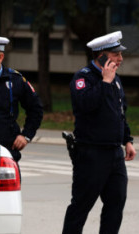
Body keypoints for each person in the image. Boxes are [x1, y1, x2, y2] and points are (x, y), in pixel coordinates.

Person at [62, 31, 137, 234]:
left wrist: (127, 140)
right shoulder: (83, 78)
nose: (120, 59)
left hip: (114, 154)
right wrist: (104, 82)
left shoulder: (116, 79)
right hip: (91, 153)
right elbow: (86, 105)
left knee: (116, 204)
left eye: (120, 54)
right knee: (81, 206)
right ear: (101, 55)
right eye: (115, 55)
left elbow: (119, 112)